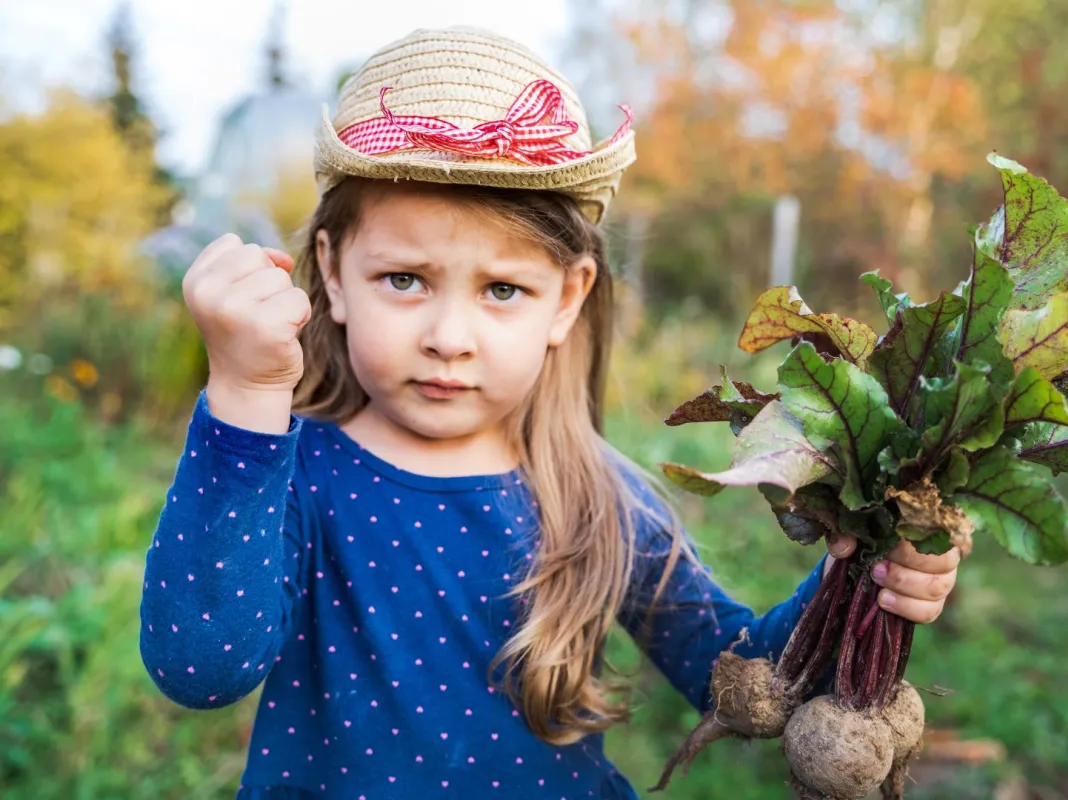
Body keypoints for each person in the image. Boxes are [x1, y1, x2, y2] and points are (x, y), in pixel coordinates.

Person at [139, 26, 959, 800]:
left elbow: (743, 678)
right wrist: (245, 397)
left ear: (567, 299)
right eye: (404, 279)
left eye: (502, 289)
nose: (449, 337)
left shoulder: (596, 494)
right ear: (333, 272)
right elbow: (200, 666)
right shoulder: (292, 477)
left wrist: (864, 569)